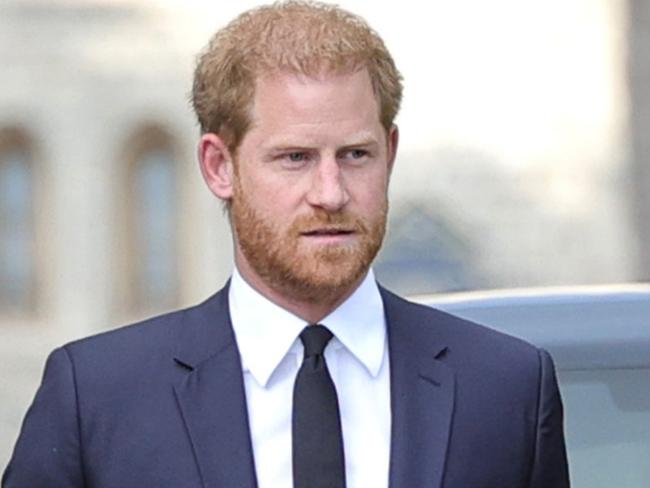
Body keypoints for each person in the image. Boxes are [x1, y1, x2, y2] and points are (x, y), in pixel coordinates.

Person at [3, 2, 570, 487]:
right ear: (219, 166)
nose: (331, 192)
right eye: (295, 158)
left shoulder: (505, 387)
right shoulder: (97, 397)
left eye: (356, 154)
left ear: (389, 154)